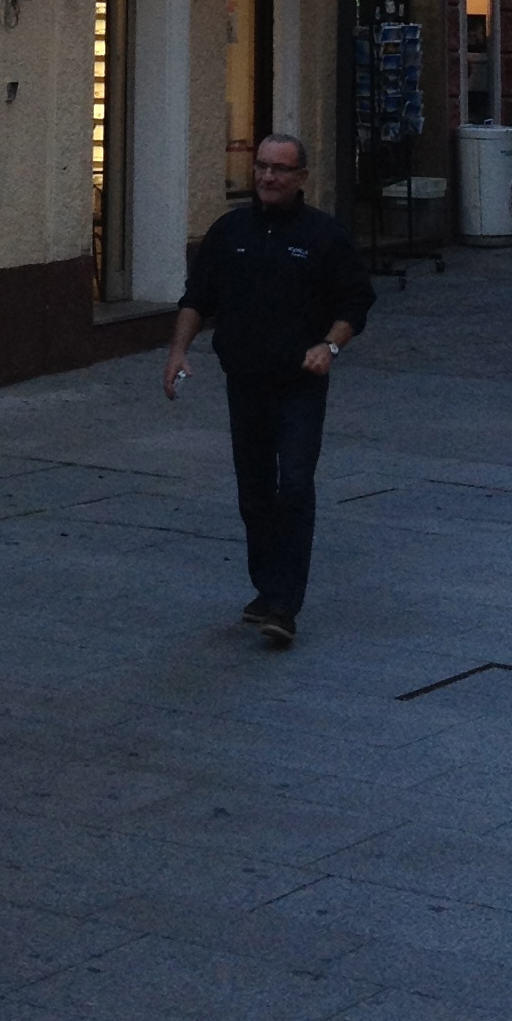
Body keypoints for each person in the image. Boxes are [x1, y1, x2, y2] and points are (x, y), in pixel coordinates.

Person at [165, 135, 374, 648]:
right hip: (246, 382)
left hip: (300, 384)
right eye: (260, 167)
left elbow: (356, 302)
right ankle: (266, 588)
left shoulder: (323, 235)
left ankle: (284, 604)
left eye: (280, 169)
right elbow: (198, 296)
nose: (267, 177)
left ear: (301, 176)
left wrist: (330, 346)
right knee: (255, 492)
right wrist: (178, 351)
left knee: (295, 486)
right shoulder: (229, 230)